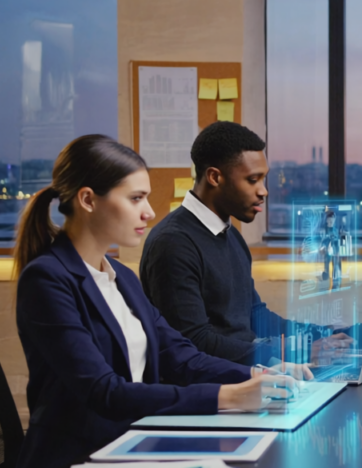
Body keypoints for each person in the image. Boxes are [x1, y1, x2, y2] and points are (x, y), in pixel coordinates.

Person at [14, 135, 307, 468]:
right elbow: (105, 392)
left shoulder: (121, 276)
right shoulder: (47, 279)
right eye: (136, 198)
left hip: (132, 445)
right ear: (89, 200)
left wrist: (255, 375)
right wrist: (228, 395)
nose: (149, 212)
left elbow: (179, 355)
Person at [140, 122, 350, 365]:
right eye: (253, 180)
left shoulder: (230, 235)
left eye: (264, 179)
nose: (264, 191)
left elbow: (255, 316)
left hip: (250, 374)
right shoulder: (172, 244)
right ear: (214, 177)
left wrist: (330, 335)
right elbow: (194, 343)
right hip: (214, 391)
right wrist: (293, 353)